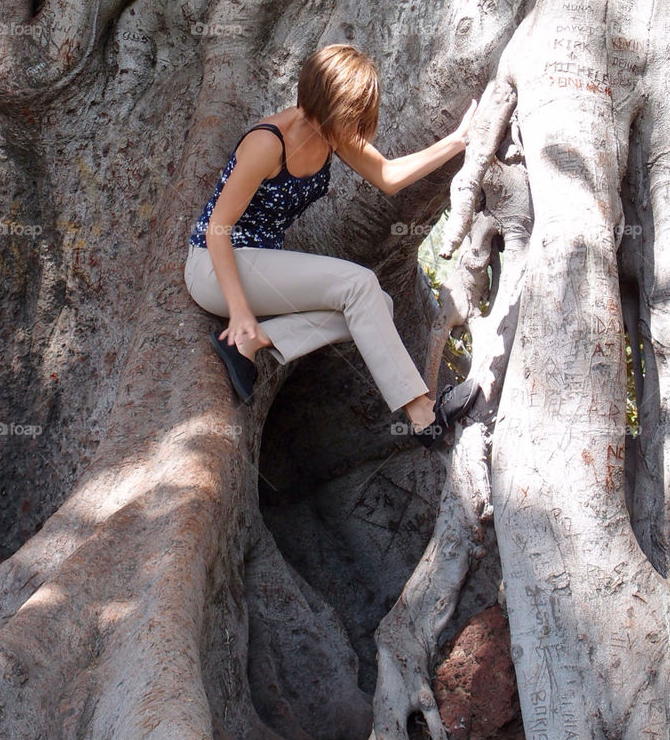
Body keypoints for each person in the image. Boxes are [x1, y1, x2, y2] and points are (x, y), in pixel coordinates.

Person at [184, 44, 479, 447]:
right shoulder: (268, 143)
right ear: (329, 104)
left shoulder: (331, 133)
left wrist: (457, 142)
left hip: (258, 268)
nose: (356, 125)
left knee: (378, 305)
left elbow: (388, 176)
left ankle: (256, 341)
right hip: (214, 268)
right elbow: (217, 229)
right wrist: (238, 312)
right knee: (360, 285)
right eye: (352, 114)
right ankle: (422, 414)